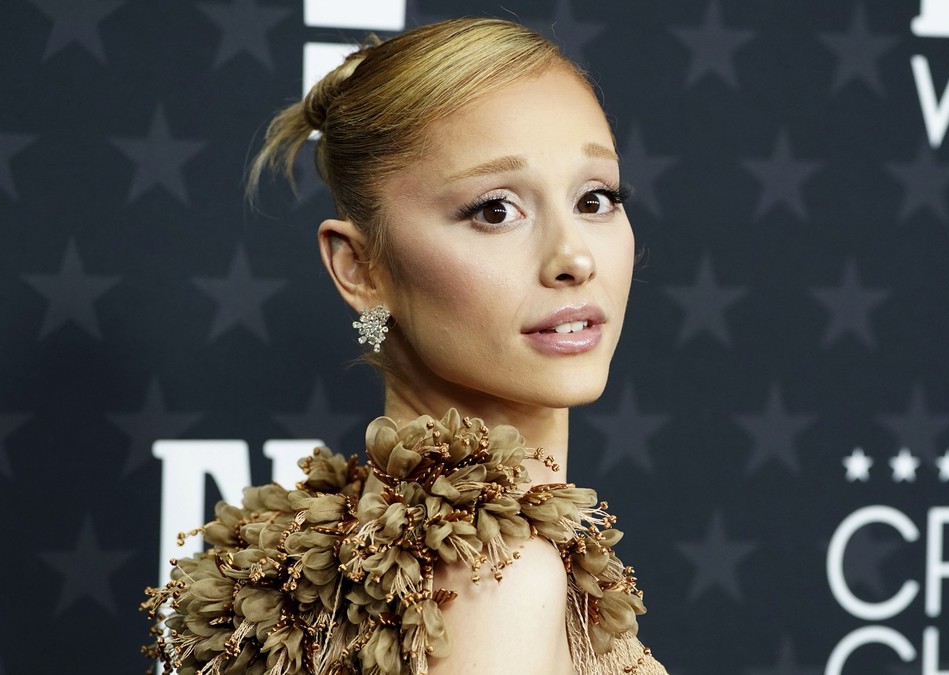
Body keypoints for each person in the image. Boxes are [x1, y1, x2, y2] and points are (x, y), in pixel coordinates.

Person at [143, 17, 667, 675]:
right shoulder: (495, 579)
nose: (572, 256)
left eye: (597, 197)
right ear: (359, 268)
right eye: (495, 210)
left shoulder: (337, 560)